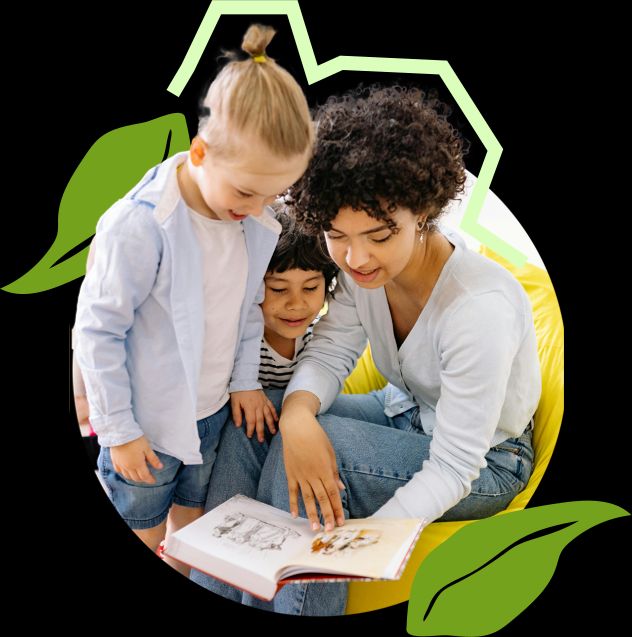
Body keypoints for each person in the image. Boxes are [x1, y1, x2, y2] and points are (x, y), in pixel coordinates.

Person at [192, 85, 542, 614]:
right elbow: (331, 352)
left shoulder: (479, 308)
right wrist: (296, 413)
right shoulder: (363, 272)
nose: (356, 258)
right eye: (337, 236)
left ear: (423, 211)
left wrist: (356, 544)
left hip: (484, 461)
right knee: (256, 418)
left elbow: (453, 467)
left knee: (311, 451)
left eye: (379, 235)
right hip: (403, 414)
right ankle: (217, 582)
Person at [73, 24, 313, 575]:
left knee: (195, 526)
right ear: (199, 152)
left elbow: (246, 309)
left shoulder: (253, 221)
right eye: (247, 192)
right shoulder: (141, 226)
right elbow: (97, 333)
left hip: (210, 417)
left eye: (273, 193)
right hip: (147, 424)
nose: (259, 207)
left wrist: (246, 382)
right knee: (142, 524)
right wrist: (121, 433)